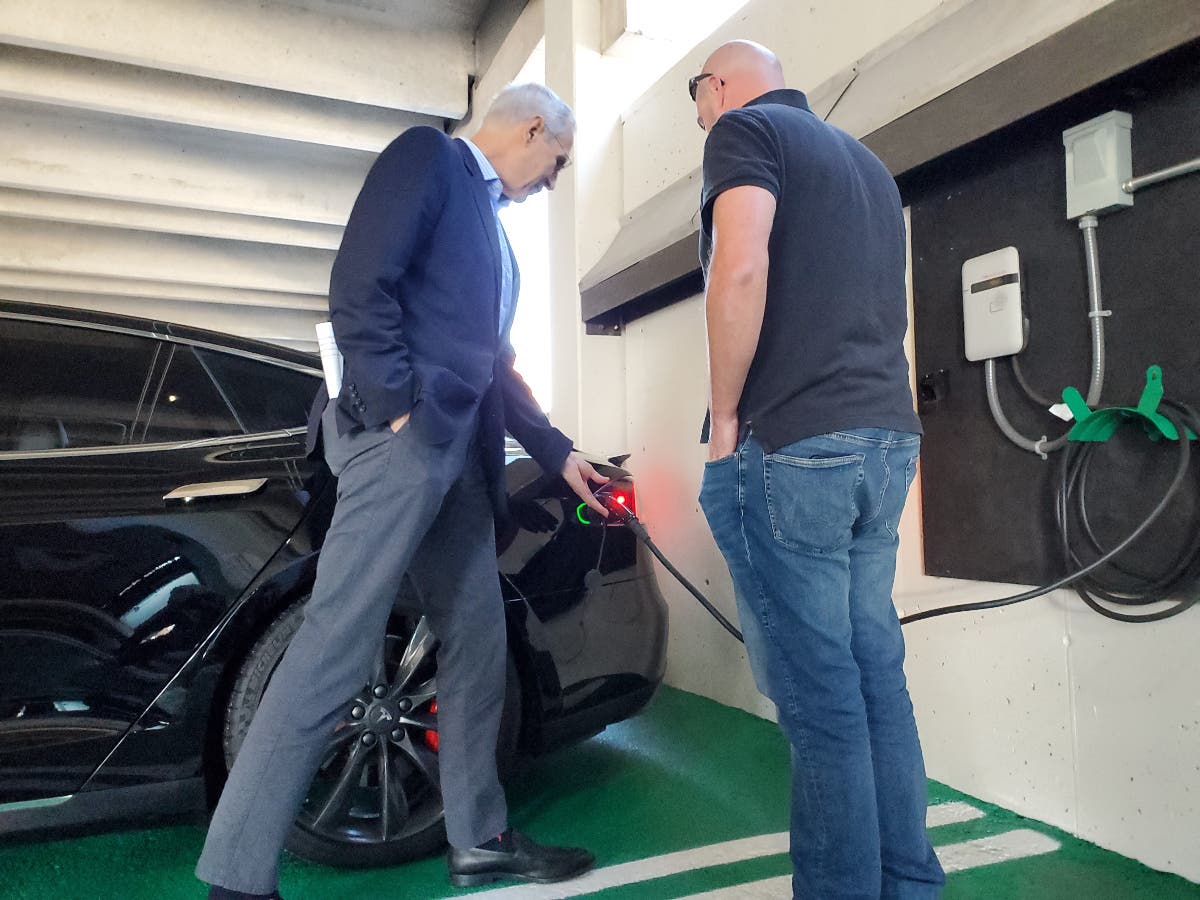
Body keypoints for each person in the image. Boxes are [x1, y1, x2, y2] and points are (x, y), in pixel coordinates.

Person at [196, 83, 607, 899]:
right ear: (533, 128)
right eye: (555, 163)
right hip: (407, 447)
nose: (550, 182)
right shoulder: (430, 159)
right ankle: (237, 876)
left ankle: (480, 840)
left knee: (479, 642)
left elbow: (496, 369)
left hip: (456, 459)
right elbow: (359, 285)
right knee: (335, 646)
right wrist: (394, 415)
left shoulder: (493, 233)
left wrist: (558, 453)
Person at [690, 41, 946, 899]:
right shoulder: (869, 164)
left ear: (718, 86)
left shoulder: (743, 132)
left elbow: (742, 267)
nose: (699, 112)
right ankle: (909, 883)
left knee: (822, 698)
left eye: (697, 95)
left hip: (797, 444)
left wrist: (726, 419)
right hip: (886, 442)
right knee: (877, 677)